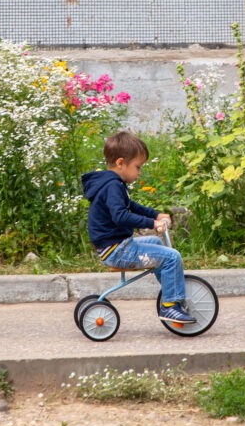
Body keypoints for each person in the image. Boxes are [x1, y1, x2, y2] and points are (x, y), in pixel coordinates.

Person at [81, 131, 195, 324]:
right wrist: (153, 223)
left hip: (115, 246)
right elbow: (121, 216)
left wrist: (155, 214)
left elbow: (131, 206)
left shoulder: (112, 184)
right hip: (118, 250)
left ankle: (169, 287)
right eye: (137, 167)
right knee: (172, 256)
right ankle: (170, 306)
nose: (139, 172)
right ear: (120, 163)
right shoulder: (113, 186)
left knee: (155, 242)